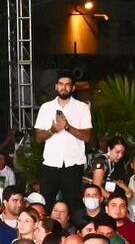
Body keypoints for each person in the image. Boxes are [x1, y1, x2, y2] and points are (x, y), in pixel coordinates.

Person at [35, 73, 94, 207]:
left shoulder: (82, 108)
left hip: (73, 164)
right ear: (56, 86)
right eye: (61, 84)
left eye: (67, 84)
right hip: (50, 163)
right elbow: (38, 138)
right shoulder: (46, 107)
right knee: (46, 204)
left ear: (72, 88)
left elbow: (87, 136)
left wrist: (67, 127)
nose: (64, 87)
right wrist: (53, 129)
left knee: (73, 205)